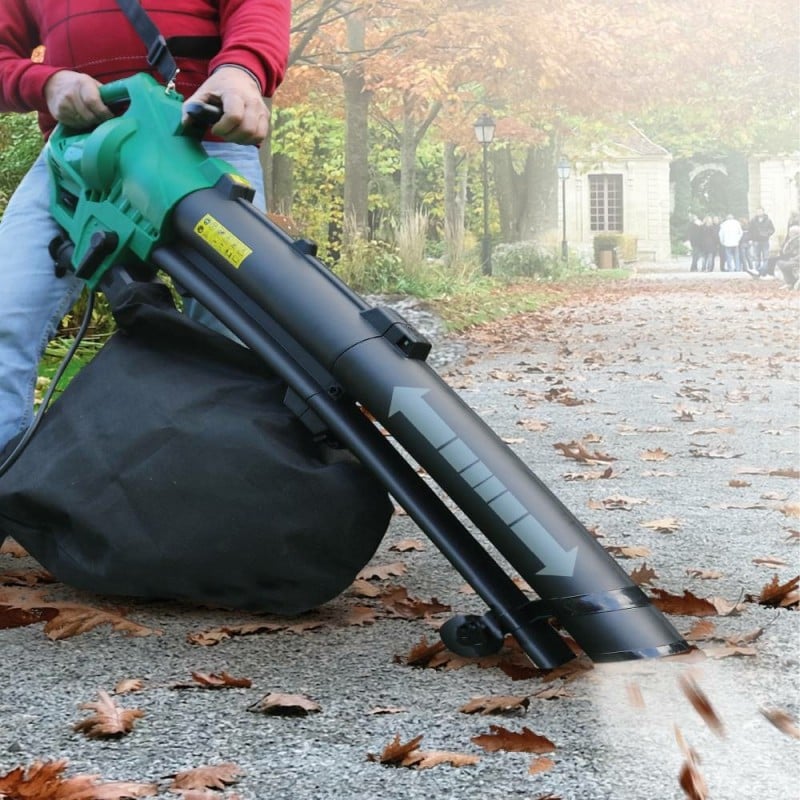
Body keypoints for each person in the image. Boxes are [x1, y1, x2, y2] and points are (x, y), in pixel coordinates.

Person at [0, 1, 291, 456]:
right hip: (79, 155)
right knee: (5, 309)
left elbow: (256, 8)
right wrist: (46, 82)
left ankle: (216, 495)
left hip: (202, 143)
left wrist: (241, 70)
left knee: (233, 335)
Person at [747, 207, 776, 276]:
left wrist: (767, 234)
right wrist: (750, 239)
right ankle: (757, 271)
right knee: (756, 257)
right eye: (757, 211)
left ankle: (763, 271)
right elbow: (750, 230)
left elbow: (772, 229)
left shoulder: (768, 220)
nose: (759, 213)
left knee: (766, 257)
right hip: (756, 240)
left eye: (760, 211)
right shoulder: (753, 220)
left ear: (763, 212)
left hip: (765, 240)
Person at [774, 225, 800, 289]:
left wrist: (794, 259)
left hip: (797, 260)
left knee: (785, 264)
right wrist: (789, 242)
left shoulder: (798, 240)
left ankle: (792, 282)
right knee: (781, 263)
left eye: (790, 233)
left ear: (795, 233)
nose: (789, 234)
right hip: (793, 260)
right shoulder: (793, 240)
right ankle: (790, 282)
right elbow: (784, 251)